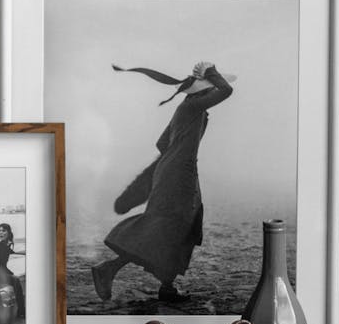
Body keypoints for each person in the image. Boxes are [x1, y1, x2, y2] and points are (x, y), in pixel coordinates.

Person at [92, 60, 235, 305]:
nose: (214, 91)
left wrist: (179, 152)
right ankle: (109, 269)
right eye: (211, 86)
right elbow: (227, 91)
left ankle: (166, 287)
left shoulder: (188, 108)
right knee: (165, 228)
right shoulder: (193, 108)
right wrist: (211, 71)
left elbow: (161, 143)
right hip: (180, 174)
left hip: (175, 172)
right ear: (204, 89)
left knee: (176, 229)